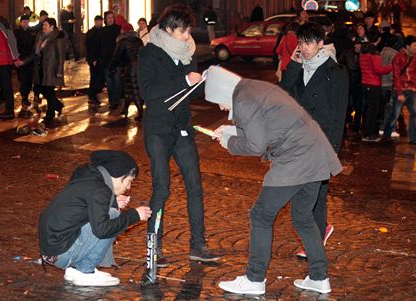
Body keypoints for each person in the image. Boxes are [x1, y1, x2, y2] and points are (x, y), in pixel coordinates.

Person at [204, 66, 341, 295]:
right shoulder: (253, 87)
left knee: (261, 215)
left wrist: (229, 143)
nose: (221, 107)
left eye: (218, 101)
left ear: (221, 92)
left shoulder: (243, 100)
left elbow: (256, 145)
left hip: (296, 157)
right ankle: (319, 277)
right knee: (303, 218)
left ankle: (254, 279)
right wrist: (229, 131)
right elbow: (264, 126)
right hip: (315, 151)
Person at [137, 4, 220, 267]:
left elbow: (189, 92)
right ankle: (155, 245)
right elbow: (148, 92)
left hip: (182, 127)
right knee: (161, 187)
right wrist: (184, 81)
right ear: (170, 29)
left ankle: (198, 245)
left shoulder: (187, 52)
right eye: (184, 32)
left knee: (195, 186)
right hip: (158, 129)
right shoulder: (149, 53)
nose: (187, 37)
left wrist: (202, 81)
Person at [280, 22, 348, 258]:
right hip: (298, 139)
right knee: (308, 193)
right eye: (300, 42)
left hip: (322, 140)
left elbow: (339, 113)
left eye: (308, 42)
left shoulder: (335, 72)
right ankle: (321, 231)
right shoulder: (299, 66)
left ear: (321, 44)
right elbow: (284, 92)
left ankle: (315, 240)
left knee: (313, 193)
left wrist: (334, 149)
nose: (304, 47)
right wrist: (293, 64)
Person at [39, 150, 152, 286]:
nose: (128, 187)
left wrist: (113, 202)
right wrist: (134, 215)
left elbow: (83, 206)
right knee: (113, 216)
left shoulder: (87, 179)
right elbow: (102, 230)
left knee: (110, 212)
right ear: (117, 176)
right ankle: (85, 272)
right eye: (128, 181)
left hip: (51, 251)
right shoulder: (100, 190)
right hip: (62, 253)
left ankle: (76, 270)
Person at [382, 35, 416, 144]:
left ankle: (413, 138)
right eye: (414, 45)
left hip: (412, 90)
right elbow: (396, 76)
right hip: (400, 90)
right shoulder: (399, 57)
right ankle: (386, 135)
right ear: (407, 46)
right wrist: (400, 92)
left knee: (414, 113)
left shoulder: (414, 57)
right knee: (395, 114)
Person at [359, 30, 392, 142]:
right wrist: (391, 67)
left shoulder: (363, 52)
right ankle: (369, 134)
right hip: (374, 85)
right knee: (374, 110)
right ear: (378, 40)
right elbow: (379, 70)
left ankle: (366, 132)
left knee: (368, 109)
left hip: (365, 84)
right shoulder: (374, 54)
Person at [32, 18, 66, 124]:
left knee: (49, 92)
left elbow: (61, 56)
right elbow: (35, 52)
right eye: (43, 25)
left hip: (51, 68)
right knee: (42, 90)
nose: (43, 27)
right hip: (41, 68)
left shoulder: (58, 37)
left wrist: (59, 71)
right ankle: (58, 105)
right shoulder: (40, 36)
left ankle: (50, 114)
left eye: (46, 25)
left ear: (52, 27)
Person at [109, 22, 144, 120]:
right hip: (140, 66)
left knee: (134, 89)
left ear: (123, 31)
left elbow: (116, 56)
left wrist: (111, 68)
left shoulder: (123, 42)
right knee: (130, 89)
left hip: (130, 67)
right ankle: (125, 109)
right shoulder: (138, 41)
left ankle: (141, 112)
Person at [14, 15, 36, 118]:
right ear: (21, 22)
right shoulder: (17, 32)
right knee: (22, 78)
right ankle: (24, 97)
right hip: (20, 58)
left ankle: (26, 96)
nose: (26, 23)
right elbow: (15, 45)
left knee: (29, 79)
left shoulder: (32, 32)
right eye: (24, 22)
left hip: (30, 60)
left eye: (27, 22)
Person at [100, 11, 122, 110]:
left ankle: (117, 100)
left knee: (117, 80)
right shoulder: (102, 30)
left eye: (112, 17)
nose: (110, 19)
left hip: (116, 58)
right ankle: (112, 100)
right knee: (109, 82)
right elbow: (100, 46)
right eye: (108, 17)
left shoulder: (118, 29)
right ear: (105, 19)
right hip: (106, 60)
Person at [86, 15, 104, 107]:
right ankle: (92, 95)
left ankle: (94, 95)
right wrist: (92, 59)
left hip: (100, 59)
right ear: (95, 22)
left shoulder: (102, 31)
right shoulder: (91, 33)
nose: (100, 23)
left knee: (99, 78)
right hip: (94, 59)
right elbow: (90, 48)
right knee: (95, 78)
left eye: (101, 21)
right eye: (98, 21)